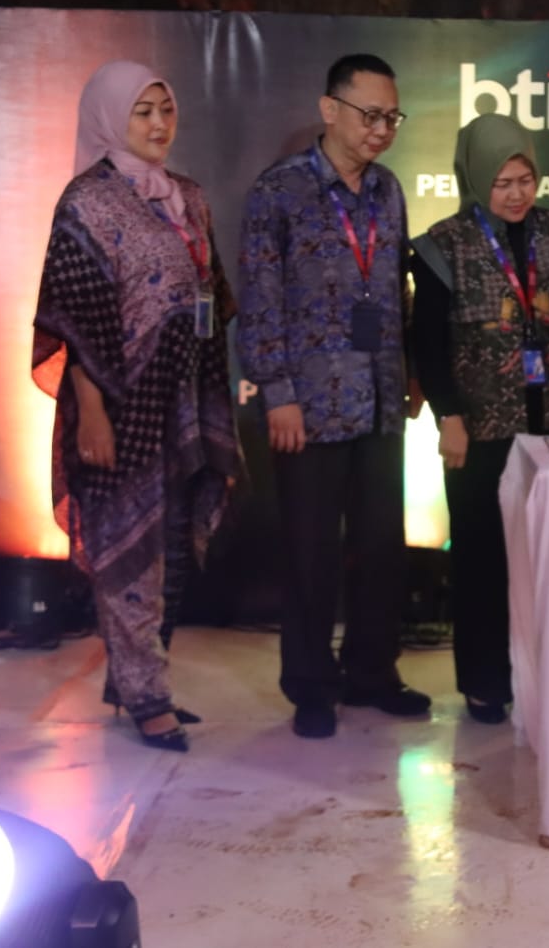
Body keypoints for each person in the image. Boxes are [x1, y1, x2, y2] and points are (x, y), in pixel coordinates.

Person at [32, 60, 240, 753]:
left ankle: (141, 681)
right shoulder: (86, 202)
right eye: (142, 112)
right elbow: (71, 317)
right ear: (109, 118)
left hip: (184, 400)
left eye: (165, 110)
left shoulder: (189, 196)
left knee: (171, 550)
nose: (158, 124)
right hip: (120, 406)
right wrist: (90, 411)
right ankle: (148, 698)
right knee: (131, 552)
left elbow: (212, 294)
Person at [237, 54, 427, 739]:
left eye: (391, 117)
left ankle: (372, 672)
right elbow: (259, 297)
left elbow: (397, 290)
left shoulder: (388, 190)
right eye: (370, 115)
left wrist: (407, 372)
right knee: (310, 553)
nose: (381, 130)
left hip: (379, 398)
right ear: (330, 110)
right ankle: (311, 685)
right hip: (308, 406)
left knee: (381, 549)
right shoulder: (279, 191)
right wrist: (277, 392)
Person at [412, 114, 549, 725]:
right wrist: (448, 415)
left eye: (525, 179)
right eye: (502, 182)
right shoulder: (443, 245)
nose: (517, 194)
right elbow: (427, 342)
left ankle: (547, 675)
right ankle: (487, 682)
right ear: (474, 178)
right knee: (482, 555)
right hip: (480, 431)